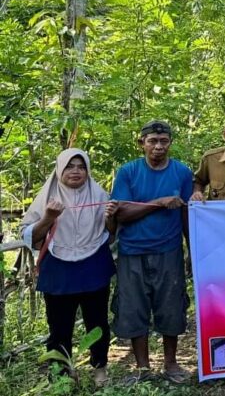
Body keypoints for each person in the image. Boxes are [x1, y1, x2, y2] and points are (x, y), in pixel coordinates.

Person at [21, 149, 115, 386]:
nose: (75, 171)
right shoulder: (47, 198)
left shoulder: (99, 194)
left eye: (81, 167)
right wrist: (49, 217)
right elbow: (30, 237)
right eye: (70, 166)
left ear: (88, 171)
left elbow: (111, 232)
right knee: (59, 325)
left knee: (97, 321)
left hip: (93, 263)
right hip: (58, 268)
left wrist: (111, 217)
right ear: (60, 170)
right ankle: (63, 374)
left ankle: (99, 369)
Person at [109, 121, 194, 384]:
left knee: (171, 307)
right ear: (142, 143)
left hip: (169, 251)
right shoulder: (128, 172)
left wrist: (192, 251)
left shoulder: (181, 172)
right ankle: (142, 367)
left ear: (170, 142)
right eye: (152, 141)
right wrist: (158, 203)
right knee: (134, 308)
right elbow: (121, 212)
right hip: (131, 251)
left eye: (163, 141)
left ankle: (171, 364)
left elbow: (187, 214)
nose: (158, 146)